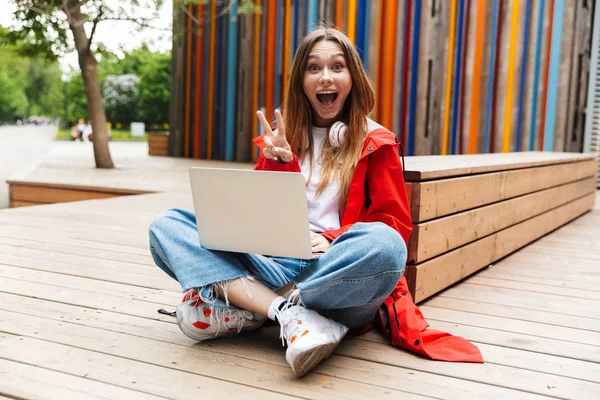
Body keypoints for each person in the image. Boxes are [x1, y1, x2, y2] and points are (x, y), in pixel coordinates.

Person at [149, 25, 413, 378]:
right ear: (300, 79)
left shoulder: (376, 142)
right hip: (274, 260)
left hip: (332, 270)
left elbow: (393, 223)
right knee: (167, 226)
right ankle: (286, 313)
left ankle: (247, 305)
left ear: (353, 77)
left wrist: (332, 238)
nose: (325, 77)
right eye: (313, 67)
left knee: (386, 245)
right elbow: (257, 220)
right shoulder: (280, 139)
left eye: (337, 67)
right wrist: (278, 162)